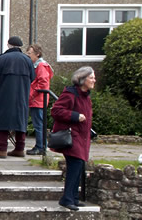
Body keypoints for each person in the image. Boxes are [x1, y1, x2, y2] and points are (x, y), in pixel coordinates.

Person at [51, 66, 94, 211]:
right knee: (74, 166)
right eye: (91, 77)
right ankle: (67, 199)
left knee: (79, 166)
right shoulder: (70, 94)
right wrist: (75, 116)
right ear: (82, 79)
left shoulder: (85, 96)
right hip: (72, 136)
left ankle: (74, 197)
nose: (94, 80)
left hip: (82, 137)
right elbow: (56, 110)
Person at [0, 36, 35, 159]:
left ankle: (2, 148)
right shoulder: (27, 60)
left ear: (8, 45)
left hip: (4, 94)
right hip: (22, 95)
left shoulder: (3, 58)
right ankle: (20, 148)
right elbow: (33, 77)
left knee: (4, 119)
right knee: (20, 120)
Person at [25, 44, 54, 156]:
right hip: (37, 99)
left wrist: (31, 95)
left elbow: (43, 84)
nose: (28, 55)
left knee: (38, 124)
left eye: (30, 53)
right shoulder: (37, 65)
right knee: (39, 123)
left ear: (37, 54)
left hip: (38, 100)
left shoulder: (41, 66)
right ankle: (41, 145)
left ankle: (40, 146)